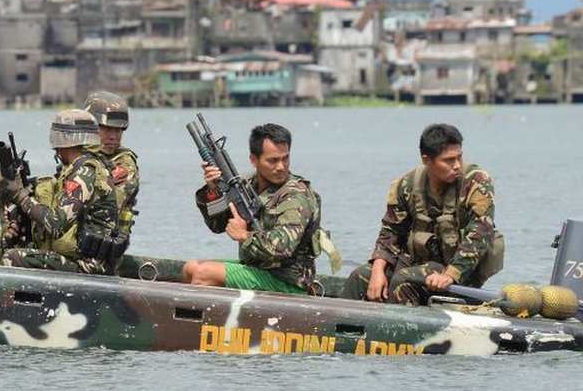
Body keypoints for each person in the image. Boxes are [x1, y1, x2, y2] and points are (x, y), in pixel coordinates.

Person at [338, 123, 504, 305]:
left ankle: (399, 331)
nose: (457, 165)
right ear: (427, 161)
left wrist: (451, 274)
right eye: (449, 160)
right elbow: (390, 233)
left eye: (459, 157)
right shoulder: (407, 185)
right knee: (361, 276)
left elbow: (479, 234)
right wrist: (377, 272)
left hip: (460, 272)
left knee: (404, 279)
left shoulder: (477, 181)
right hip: (418, 264)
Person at [182, 123, 321, 294]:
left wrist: (244, 236)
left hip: (287, 281)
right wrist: (213, 191)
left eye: (285, 158)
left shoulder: (296, 194)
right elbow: (217, 226)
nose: (281, 167)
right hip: (257, 268)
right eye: (273, 160)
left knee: (204, 274)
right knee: (190, 268)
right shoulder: (246, 185)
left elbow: (282, 248)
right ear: (254, 160)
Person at [0, 109, 122, 275]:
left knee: (12, 258)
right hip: (81, 256)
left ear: (62, 139)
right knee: (1, 244)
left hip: (90, 264)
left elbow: (57, 224)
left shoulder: (84, 172)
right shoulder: (81, 167)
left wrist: (21, 197)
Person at [83, 90, 139, 255]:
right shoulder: (78, 156)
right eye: (106, 129)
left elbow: (108, 206)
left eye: (119, 130)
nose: (113, 136)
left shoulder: (124, 164)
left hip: (99, 250)